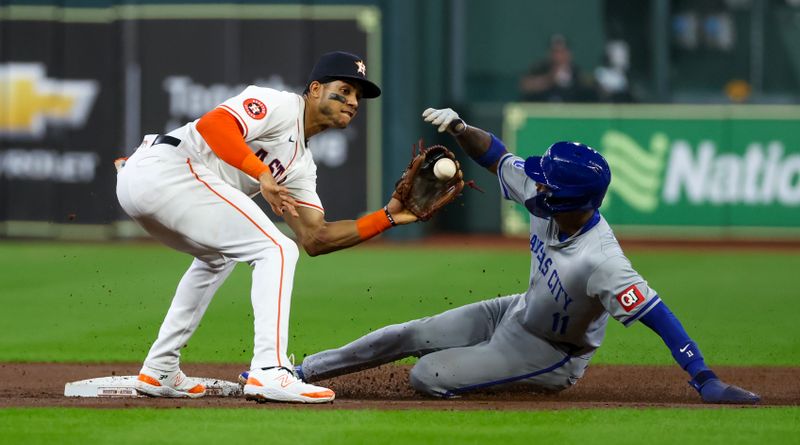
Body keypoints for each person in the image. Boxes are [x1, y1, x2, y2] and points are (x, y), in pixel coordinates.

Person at [292, 107, 761, 404]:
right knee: (408, 333)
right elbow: (495, 155)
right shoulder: (546, 193)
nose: (536, 184)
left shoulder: (602, 261)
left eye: (547, 184)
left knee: (427, 376)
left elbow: (660, 316)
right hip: (513, 310)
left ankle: (497, 377)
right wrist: (459, 127)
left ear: (573, 202)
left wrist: (704, 377)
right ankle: (301, 371)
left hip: (552, 351)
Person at [115, 51, 419, 404]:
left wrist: (389, 216)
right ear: (316, 89)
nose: (353, 101)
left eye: (358, 97)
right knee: (276, 249)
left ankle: (161, 367)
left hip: (154, 186)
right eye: (345, 89)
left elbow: (316, 237)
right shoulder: (279, 104)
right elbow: (214, 126)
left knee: (218, 258)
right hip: (165, 168)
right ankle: (269, 370)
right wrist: (260, 172)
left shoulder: (301, 166)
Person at [519, 34, 595, 103]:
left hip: (569, 113)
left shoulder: (575, 71)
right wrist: (549, 79)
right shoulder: (541, 67)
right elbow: (525, 86)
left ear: (569, 54)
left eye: (562, 52)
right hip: (544, 112)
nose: (559, 56)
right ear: (549, 54)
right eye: (555, 52)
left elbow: (587, 88)